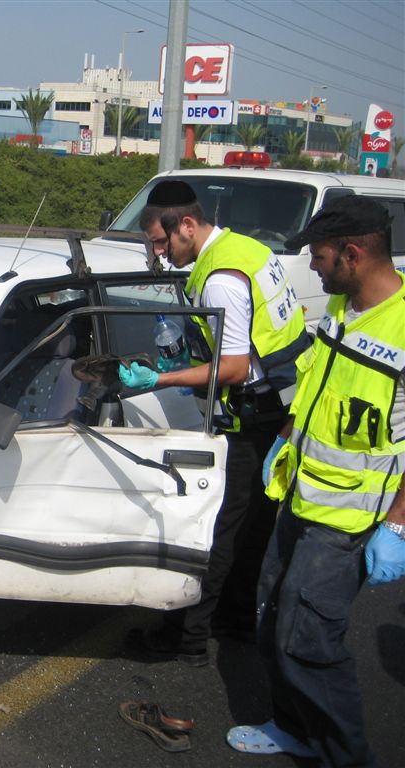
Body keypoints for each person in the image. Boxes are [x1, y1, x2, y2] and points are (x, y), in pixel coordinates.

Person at [227, 196, 405, 766]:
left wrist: (399, 526)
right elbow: (318, 384)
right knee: (271, 616)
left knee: (309, 643)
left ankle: (345, 756)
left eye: (319, 256)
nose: (311, 267)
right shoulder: (342, 305)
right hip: (301, 498)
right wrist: (285, 434)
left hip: (348, 523)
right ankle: (293, 726)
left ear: (352, 254)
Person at [120, 180, 311, 665]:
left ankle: (186, 638)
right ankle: (236, 619)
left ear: (186, 224)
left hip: (256, 412)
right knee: (252, 526)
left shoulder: (221, 275)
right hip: (284, 406)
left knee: (217, 529)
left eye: (162, 242)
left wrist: (160, 377)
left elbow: (234, 368)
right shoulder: (245, 248)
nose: (160, 255)